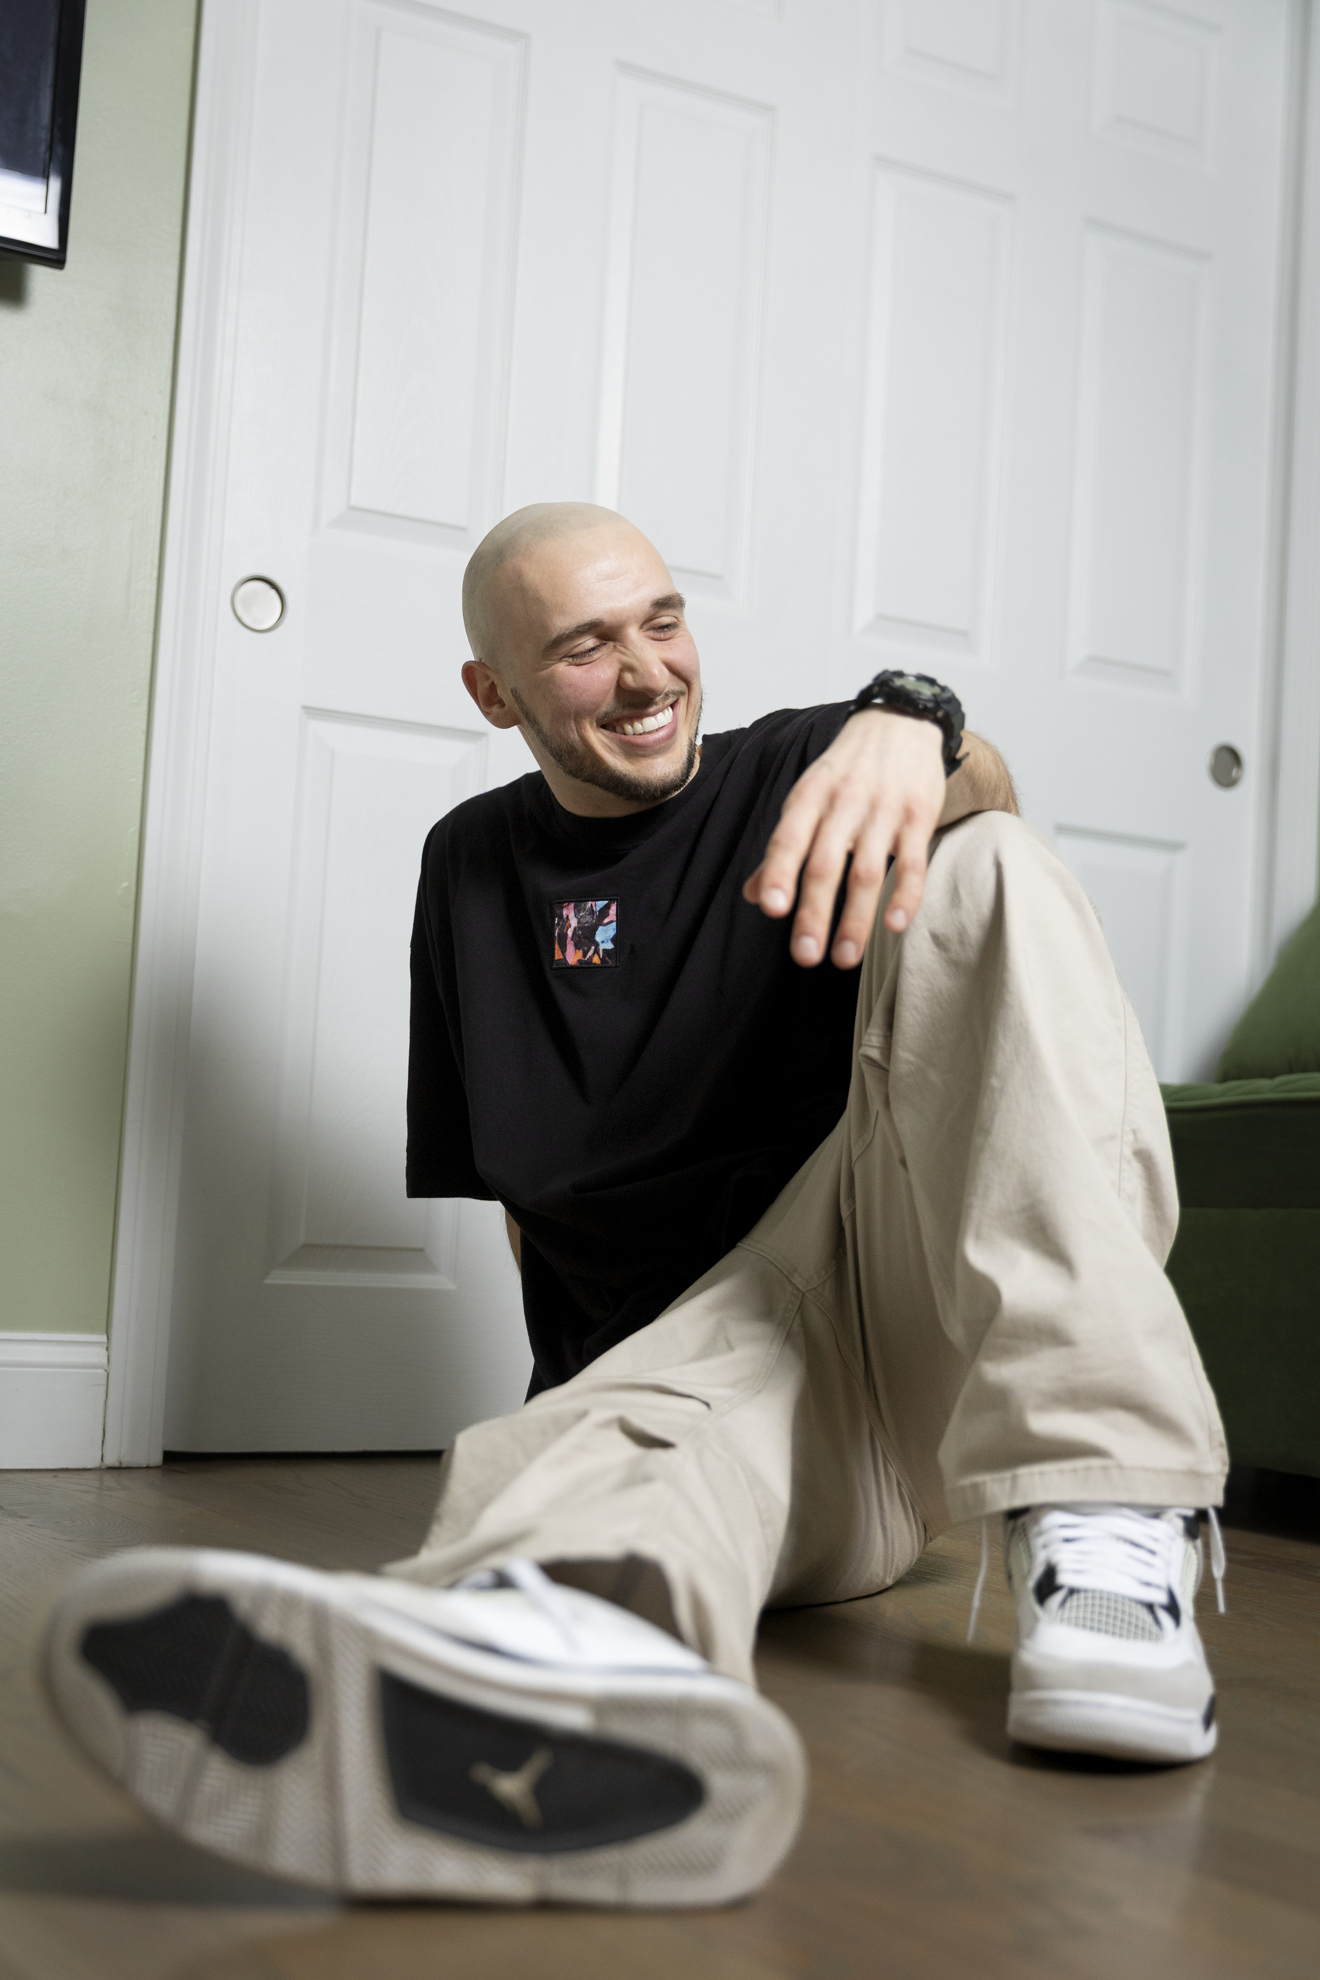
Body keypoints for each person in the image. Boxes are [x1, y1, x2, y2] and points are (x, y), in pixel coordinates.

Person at [45, 504, 1228, 1909]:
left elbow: (986, 801)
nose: (648, 672)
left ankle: (1107, 1524)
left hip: (891, 1322)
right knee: (631, 1431)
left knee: (989, 861)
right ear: (495, 693)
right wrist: (584, 1409)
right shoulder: (471, 862)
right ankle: (542, 1677)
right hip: (708, 1376)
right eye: (586, 646)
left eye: (663, 622)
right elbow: (522, 1205)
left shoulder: (799, 766)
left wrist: (913, 724)